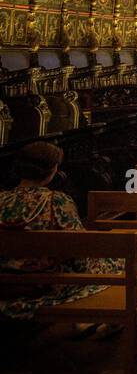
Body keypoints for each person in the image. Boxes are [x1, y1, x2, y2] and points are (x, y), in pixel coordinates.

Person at [0, 142, 122, 331]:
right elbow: (78, 251)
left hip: (5, 284)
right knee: (115, 264)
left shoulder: (2, 199)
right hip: (46, 285)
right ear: (52, 171)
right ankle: (92, 319)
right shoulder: (56, 201)